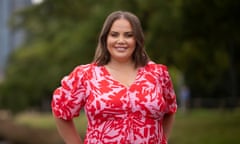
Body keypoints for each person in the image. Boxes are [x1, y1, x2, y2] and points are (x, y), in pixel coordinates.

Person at [51, 10, 177, 144]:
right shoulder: (86, 75)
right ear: (105, 38)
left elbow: (170, 110)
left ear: (137, 39)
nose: (121, 41)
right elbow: (60, 109)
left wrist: (163, 140)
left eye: (129, 35)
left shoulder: (158, 74)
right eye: (114, 35)